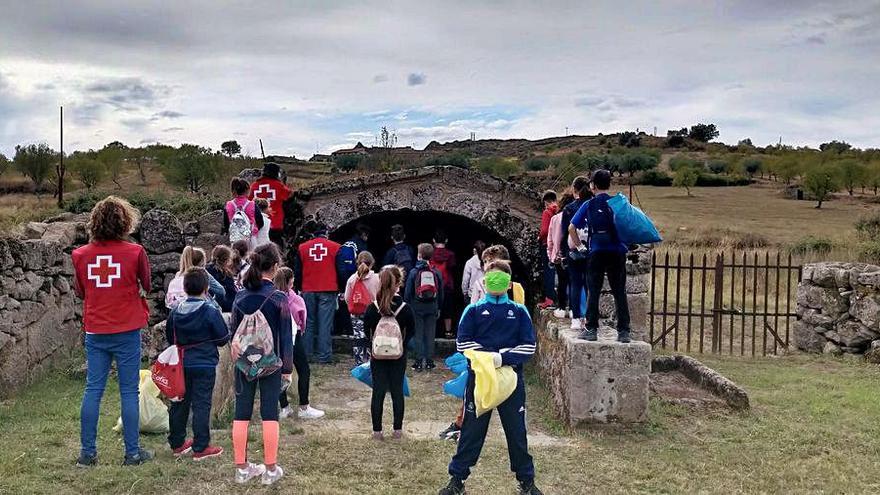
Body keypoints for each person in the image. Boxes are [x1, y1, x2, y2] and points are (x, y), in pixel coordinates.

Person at [440, 260, 542, 495]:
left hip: (511, 381)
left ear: (509, 284)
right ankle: (457, 480)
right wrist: (489, 359)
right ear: (484, 282)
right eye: (491, 278)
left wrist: (502, 359)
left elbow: (529, 347)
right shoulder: (473, 310)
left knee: (516, 432)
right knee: (471, 432)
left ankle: (526, 481)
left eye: (501, 278)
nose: (495, 282)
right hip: (481, 381)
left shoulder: (518, 311)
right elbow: (463, 343)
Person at [72, 195, 153, 467]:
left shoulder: (80, 255)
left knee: (93, 389)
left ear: (94, 223)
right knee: (129, 391)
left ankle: (87, 453)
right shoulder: (135, 252)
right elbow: (148, 284)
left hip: (96, 329)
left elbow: (81, 291)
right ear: (125, 222)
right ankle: (132, 453)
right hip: (127, 328)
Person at [440, 244, 525, 442]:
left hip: (487, 352)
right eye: (486, 262)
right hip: (504, 354)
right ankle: (465, 426)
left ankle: (463, 428)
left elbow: (474, 310)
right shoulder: (517, 289)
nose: (486, 266)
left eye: (489, 262)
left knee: (475, 392)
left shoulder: (482, 284)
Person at [229, 244, 293, 485]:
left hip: (244, 364)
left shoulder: (240, 296)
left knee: (241, 415)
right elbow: (286, 338)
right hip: (271, 364)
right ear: (275, 267)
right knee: (269, 415)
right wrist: (287, 369)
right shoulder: (279, 298)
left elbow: (233, 333)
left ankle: (242, 468)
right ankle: (270, 469)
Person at [165, 267, 229, 461]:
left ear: (184, 287)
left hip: (181, 364)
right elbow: (223, 338)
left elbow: (170, 337)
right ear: (206, 287)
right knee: (202, 403)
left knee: (179, 403)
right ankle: (201, 446)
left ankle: (177, 443)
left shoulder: (175, 311)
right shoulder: (210, 310)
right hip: (204, 363)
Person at [569, 169, 631, 343]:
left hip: (596, 251)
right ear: (609, 184)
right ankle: (624, 331)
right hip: (617, 251)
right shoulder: (617, 203)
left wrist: (581, 247)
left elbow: (571, 228)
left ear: (592, 186)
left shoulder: (588, 204)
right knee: (619, 291)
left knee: (593, 291)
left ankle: (591, 329)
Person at [363, 266, 415, 440]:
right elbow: (412, 331)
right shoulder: (405, 308)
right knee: (397, 391)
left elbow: (366, 331)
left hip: (377, 356)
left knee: (378, 391)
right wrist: (403, 346)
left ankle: (377, 431)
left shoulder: (373, 308)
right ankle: (397, 430)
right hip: (398, 356)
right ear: (399, 282)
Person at [273, 267, 325, 419]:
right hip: (294, 339)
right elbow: (301, 319)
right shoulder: (296, 300)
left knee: (278, 372)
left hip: (277, 340)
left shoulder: (272, 298)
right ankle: (304, 406)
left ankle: (284, 406)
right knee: (304, 370)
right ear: (291, 282)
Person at [295, 223, 342, 364]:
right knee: (325, 324)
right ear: (326, 233)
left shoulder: (302, 248)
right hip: (328, 288)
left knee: (307, 323)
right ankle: (324, 356)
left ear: (312, 234)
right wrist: (340, 287)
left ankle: (307, 355)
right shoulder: (336, 247)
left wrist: (299, 287)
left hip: (308, 288)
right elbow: (340, 270)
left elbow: (298, 271)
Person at [404, 243, 444, 371]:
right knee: (430, 334)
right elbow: (441, 292)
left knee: (418, 334)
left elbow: (408, 292)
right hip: (432, 306)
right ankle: (430, 362)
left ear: (419, 255)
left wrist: (408, 305)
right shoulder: (436, 272)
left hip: (417, 307)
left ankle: (418, 361)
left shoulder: (414, 272)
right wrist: (439, 307)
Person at [560, 176, 593, 331]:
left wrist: (563, 253)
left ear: (574, 190)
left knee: (575, 283)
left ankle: (576, 316)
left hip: (574, 250)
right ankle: (589, 316)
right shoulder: (594, 205)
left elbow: (564, 233)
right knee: (589, 284)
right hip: (592, 250)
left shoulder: (569, 208)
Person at [344, 251, 380, 365]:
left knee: (358, 337)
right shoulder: (377, 278)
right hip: (373, 311)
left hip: (356, 312)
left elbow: (347, 298)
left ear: (357, 263)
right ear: (372, 263)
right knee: (372, 336)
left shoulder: (352, 279)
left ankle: (360, 361)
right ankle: (372, 360)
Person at [166, 246, 225, 310]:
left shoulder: (178, 275)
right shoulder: (203, 274)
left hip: (180, 312)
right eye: (203, 265)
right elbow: (220, 291)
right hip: (200, 311)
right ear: (201, 264)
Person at [248, 162, 292, 248]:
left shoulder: (254, 186)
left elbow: (248, 202)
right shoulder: (278, 185)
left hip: (257, 225)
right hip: (275, 224)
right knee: (277, 250)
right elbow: (289, 195)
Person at [547, 193, 575, 319]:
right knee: (574, 282)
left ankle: (562, 308)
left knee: (562, 283)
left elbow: (550, 240)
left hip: (558, 255)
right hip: (573, 254)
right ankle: (575, 308)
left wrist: (551, 255)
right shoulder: (575, 216)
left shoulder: (555, 218)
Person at [431, 229, 457, 339]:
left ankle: (432, 331)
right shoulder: (450, 254)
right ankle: (448, 332)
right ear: (446, 240)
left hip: (433, 285)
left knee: (432, 308)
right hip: (447, 285)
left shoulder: (430, 253)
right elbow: (453, 269)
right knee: (448, 309)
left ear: (433, 240)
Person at [223, 177, 264, 245]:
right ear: (246, 190)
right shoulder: (252, 204)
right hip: (250, 238)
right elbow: (260, 222)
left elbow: (226, 224)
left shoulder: (229, 205)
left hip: (234, 238)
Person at [538, 190, 559, 309]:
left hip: (547, 244)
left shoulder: (547, 212)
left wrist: (539, 237)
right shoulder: (559, 210)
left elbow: (544, 231)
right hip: (557, 244)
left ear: (546, 201)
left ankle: (549, 299)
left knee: (548, 271)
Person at [206, 245, 238, 312]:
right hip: (226, 308)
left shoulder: (206, 270)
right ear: (227, 260)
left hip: (209, 306)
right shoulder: (226, 274)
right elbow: (232, 294)